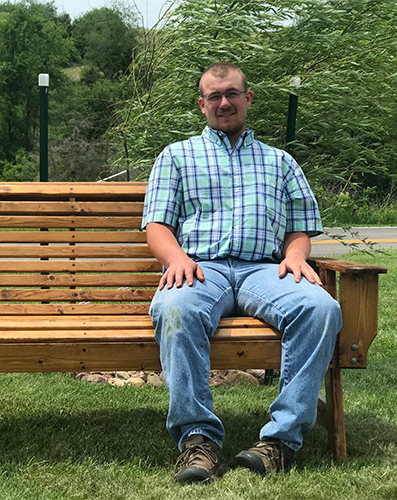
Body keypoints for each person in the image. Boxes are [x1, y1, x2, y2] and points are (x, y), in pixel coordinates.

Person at [141, 62, 343, 483]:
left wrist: (296, 255)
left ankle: (280, 441)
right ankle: (198, 442)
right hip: (201, 269)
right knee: (174, 309)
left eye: (232, 93)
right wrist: (176, 259)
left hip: (263, 270)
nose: (224, 103)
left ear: (247, 98)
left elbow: (298, 227)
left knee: (321, 308)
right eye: (214, 96)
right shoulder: (175, 156)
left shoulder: (280, 161)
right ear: (202, 105)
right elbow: (157, 225)